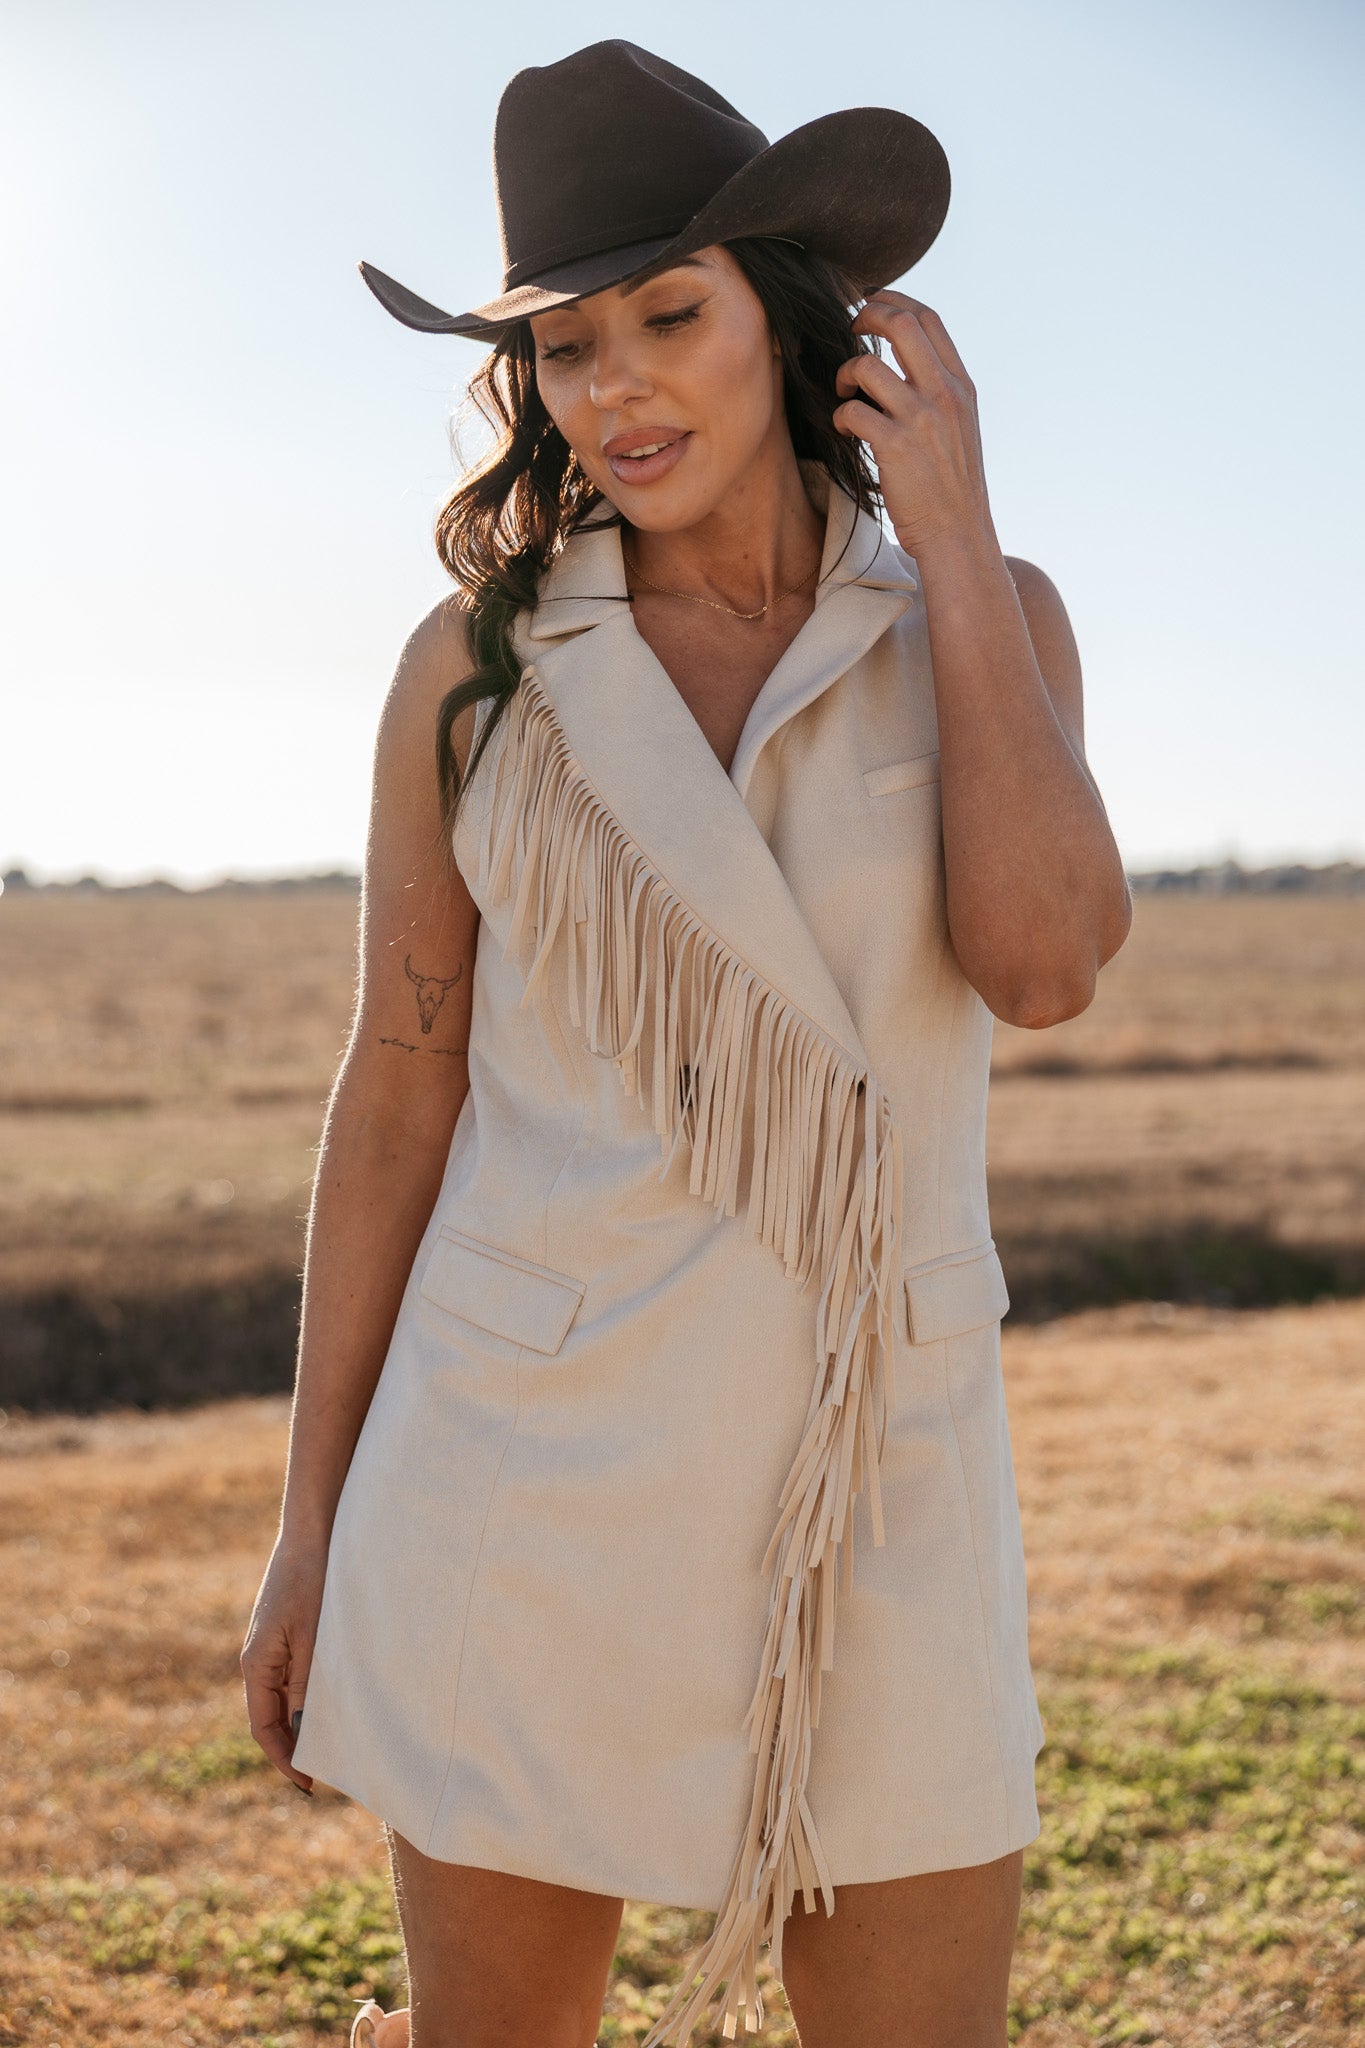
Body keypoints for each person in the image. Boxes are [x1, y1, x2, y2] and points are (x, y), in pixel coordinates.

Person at [241, 39, 1131, 2048]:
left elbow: (1042, 967)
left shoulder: (982, 618)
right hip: (525, 1463)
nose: (614, 386)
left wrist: (955, 537)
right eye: (562, 347)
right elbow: (399, 1092)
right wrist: (309, 1521)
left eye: (667, 316)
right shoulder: (477, 671)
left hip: (882, 1473)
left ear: (793, 322)